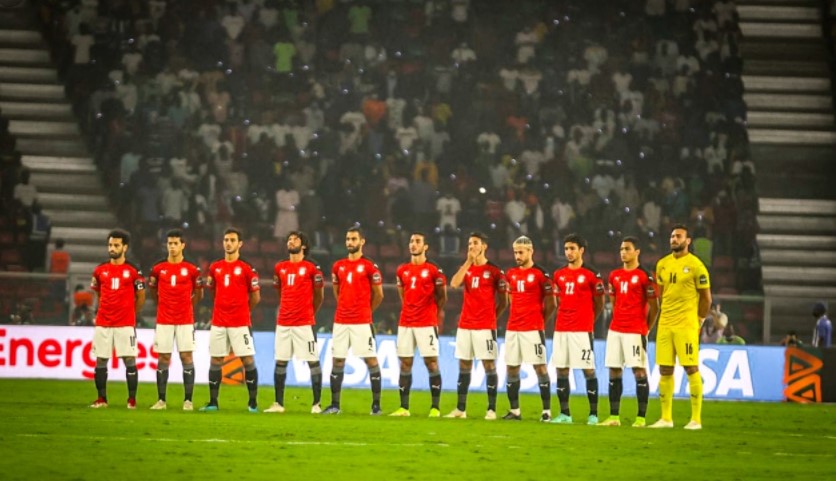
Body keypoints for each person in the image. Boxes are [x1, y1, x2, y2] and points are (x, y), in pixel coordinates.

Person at [649, 224, 711, 430]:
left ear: (688, 241)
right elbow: (662, 294)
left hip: (686, 324)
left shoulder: (696, 266)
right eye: (672, 236)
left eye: (678, 236)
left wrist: (699, 320)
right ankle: (666, 418)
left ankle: (696, 419)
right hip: (665, 324)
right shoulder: (662, 264)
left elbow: (706, 298)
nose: (674, 239)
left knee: (691, 368)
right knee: (665, 369)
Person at [322, 226, 385, 415]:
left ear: (362, 242)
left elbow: (379, 295)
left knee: (371, 360)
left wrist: (366, 311)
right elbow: (337, 292)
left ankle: (376, 406)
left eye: (354, 239)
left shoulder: (369, 266)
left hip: (361, 322)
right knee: (337, 361)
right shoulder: (338, 266)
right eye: (348, 239)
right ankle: (335, 405)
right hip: (341, 321)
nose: (350, 242)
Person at [445, 232, 508, 420]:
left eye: (475, 243)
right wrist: (468, 262)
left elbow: (504, 301)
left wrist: (491, 318)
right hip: (465, 325)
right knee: (464, 364)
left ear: (484, 246)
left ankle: (491, 409)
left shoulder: (494, 271)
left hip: (485, 327)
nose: (471, 246)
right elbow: (454, 283)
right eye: (469, 243)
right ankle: (460, 409)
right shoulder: (467, 269)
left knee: (489, 365)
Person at [599, 237, 659, 427]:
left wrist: (645, 329)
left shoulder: (645, 276)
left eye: (627, 249)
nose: (623, 252)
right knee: (614, 371)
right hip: (616, 330)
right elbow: (614, 303)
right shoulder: (614, 275)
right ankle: (614, 417)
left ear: (637, 252)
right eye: (621, 249)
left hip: (635, 331)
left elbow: (655, 307)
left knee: (639, 371)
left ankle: (640, 418)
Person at [199, 228, 261, 412]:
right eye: (226, 240)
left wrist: (243, 312)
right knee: (216, 360)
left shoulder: (247, 268)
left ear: (240, 244)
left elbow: (256, 297)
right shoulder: (215, 267)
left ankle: (252, 403)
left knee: (247, 360)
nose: (228, 243)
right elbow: (213, 292)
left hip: (240, 323)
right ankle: (213, 402)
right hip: (219, 322)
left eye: (232, 240)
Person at [264, 231, 325, 414]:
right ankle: (278, 403)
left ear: (303, 245)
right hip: (283, 322)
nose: (291, 242)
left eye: (295, 239)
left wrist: (309, 312)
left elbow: (319, 296)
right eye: (289, 239)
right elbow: (280, 292)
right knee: (281, 361)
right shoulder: (280, 267)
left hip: (304, 323)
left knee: (312, 361)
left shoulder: (312, 268)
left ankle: (316, 404)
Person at [550, 233, 605, 425]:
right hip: (561, 329)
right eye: (566, 249)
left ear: (581, 250)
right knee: (561, 370)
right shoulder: (558, 274)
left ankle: (593, 414)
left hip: (582, 330)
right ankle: (565, 414)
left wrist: (588, 320)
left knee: (588, 370)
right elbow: (557, 300)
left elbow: (600, 303)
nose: (569, 252)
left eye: (572, 248)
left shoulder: (592, 274)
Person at [390, 232, 447, 417]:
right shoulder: (402, 270)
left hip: (426, 323)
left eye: (417, 241)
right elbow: (403, 295)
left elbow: (442, 297)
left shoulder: (434, 270)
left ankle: (435, 408)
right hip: (406, 323)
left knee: (431, 363)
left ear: (425, 246)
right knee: (405, 364)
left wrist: (431, 312)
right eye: (411, 241)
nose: (413, 244)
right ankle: (404, 408)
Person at [147, 229, 204, 411]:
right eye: (169, 243)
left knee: (186, 356)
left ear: (182, 245)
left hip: (185, 320)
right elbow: (153, 292)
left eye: (175, 243)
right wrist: (164, 305)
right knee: (163, 357)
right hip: (164, 320)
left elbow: (199, 294)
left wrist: (186, 307)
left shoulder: (192, 269)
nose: (172, 247)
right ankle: (161, 400)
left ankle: (188, 400)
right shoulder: (158, 269)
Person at [89, 229, 146, 409]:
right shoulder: (100, 270)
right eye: (110, 245)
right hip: (103, 323)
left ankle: (131, 400)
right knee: (101, 360)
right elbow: (98, 294)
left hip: (125, 323)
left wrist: (131, 314)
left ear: (125, 247)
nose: (112, 248)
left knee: (129, 360)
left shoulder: (133, 270)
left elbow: (141, 296)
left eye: (116, 245)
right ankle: (102, 399)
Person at [503, 236, 555, 421]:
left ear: (531, 251)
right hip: (513, 328)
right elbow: (510, 298)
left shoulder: (541, 274)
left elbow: (552, 304)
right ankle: (515, 411)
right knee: (512, 368)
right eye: (515, 252)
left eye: (521, 252)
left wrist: (540, 321)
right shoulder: (511, 274)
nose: (517, 256)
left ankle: (546, 411)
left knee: (540, 368)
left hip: (533, 329)